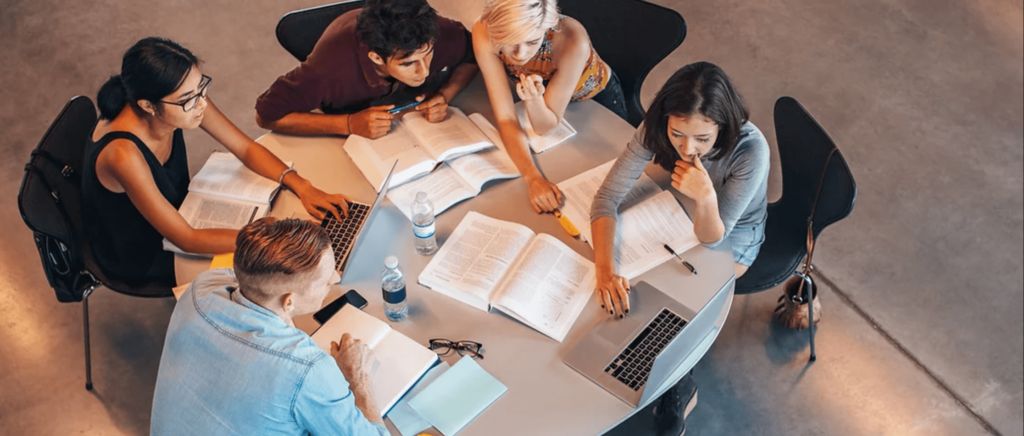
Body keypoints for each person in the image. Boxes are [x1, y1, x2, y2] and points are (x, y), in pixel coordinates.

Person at [83, 37, 349, 287]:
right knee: (269, 276)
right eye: (188, 100)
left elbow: (244, 148)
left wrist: (301, 185)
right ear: (148, 106)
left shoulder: (182, 96)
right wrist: (271, 236)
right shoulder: (123, 155)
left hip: (180, 211)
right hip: (144, 249)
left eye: (201, 88)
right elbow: (185, 239)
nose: (201, 105)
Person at [151, 218, 386, 435]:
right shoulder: (306, 370)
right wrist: (357, 380)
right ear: (289, 301)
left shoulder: (201, 286)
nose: (334, 279)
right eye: (326, 281)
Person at [591, 62, 770, 318]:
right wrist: (606, 272)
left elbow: (714, 239)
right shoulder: (656, 125)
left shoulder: (751, 151)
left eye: (702, 139)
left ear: (723, 126)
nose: (686, 150)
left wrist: (706, 198)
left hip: (733, 233)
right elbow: (607, 197)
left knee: (677, 296)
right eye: (677, 134)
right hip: (677, 205)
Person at [473, 0, 626, 213]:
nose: (519, 54)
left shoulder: (572, 41)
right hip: (542, 90)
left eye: (532, 42)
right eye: (510, 42)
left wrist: (534, 100)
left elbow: (544, 127)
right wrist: (532, 177)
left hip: (595, 99)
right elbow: (506, 117)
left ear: (548, 27)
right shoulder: (483, 32)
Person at [255, 0, 478, 139]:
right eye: (408, 63)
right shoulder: (329, 69)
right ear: (376, 57)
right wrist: (349, 124)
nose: (425, 71)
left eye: (428, 54)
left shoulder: (437, 32)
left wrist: (444, 95)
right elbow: (266, 117)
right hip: (353, 126)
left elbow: (473, 56)